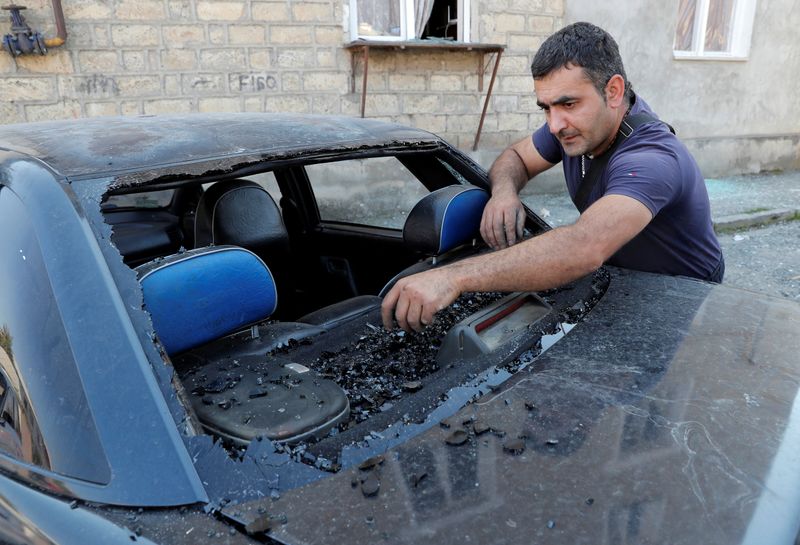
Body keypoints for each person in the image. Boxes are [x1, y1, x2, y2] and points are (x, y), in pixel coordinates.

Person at [381, 21, 724, 333]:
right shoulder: (577, 128)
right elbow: (515, 157)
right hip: (623, 282)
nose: (554, 125)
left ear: (614, 91)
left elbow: (583, 247)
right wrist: (503, 193)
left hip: (685, 298)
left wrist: (452, 277)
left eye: (568, 104)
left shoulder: (651, 160)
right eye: (546, 107)